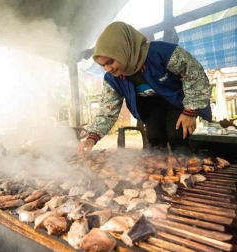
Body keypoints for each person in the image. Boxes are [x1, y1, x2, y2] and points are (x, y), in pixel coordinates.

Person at [77, 22, 212, 158]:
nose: (108, 69)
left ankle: (186, 169)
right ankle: (160, 171)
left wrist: (190, 111)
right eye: (103, 65)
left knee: (177, 135)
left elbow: (196, 76)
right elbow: (108, 112)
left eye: (110, 62)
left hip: (177, 99)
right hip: (150, 104)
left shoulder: (163, 53)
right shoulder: (112, 78)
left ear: (124, 50)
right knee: (154, 138)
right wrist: (91, 139)